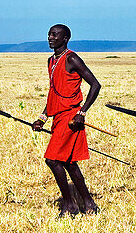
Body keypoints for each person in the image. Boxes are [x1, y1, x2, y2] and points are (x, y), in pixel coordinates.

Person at [31, 24, 102, 215]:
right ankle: (89, 204)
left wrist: (82, 112)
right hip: (58, 117)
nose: (50, 37)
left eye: (55, 35)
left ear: (65, 38)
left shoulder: (71, 58)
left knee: (52, 160)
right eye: (49, 34)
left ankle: (70, 205)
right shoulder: (51, 61)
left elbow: (95, 85)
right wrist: (43, 117)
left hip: (71, 118)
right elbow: (54, 92)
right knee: (69, 162)